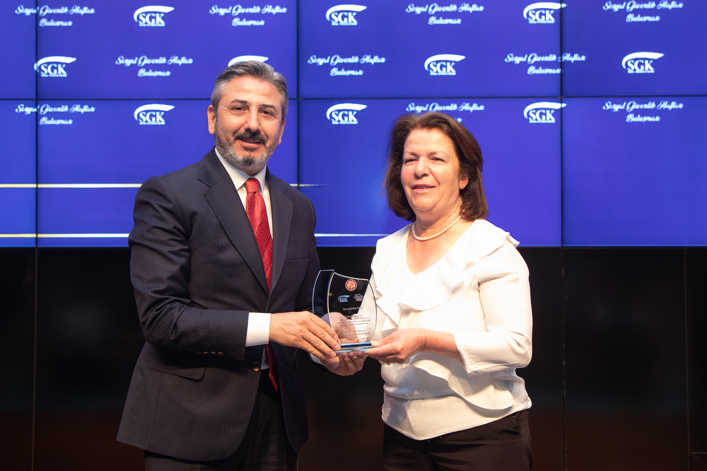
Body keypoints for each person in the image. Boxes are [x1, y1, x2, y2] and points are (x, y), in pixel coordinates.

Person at [117, 61, 343, 471]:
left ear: (281, 128)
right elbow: (161, 319)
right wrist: (269, 327)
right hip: (189, 423)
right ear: (212, 118)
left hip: (278, 423)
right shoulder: (168, 195)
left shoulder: (298, 207)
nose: (253, 124)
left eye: (267, 112)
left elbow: (305, 312)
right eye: (239, 108)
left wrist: (331, 349)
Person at [334, 112, 534, 470]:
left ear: (464, 177)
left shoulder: (491, 247)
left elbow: (517, 347)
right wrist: (342, 342)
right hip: (400, 436)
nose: (420, 170)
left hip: (482, 436)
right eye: (410, 159)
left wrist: (426, 340)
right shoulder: (387, 250)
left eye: (436, 159)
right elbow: (366, 334)